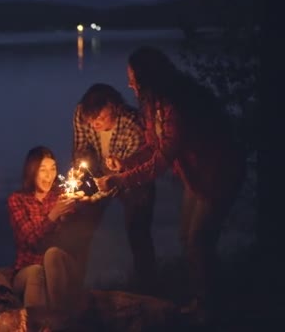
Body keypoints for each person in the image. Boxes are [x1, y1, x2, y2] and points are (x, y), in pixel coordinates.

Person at [95, 46, 246, 323]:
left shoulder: (177, 103)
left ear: (147, 76)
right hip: (196, 176)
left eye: (133, 77)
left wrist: (121, 179)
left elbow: (164, 159)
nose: (129, 83)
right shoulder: (154, 105)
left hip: (217, 173)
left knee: (198, 240)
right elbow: (155, 147)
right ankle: (205, 298)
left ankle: (214, 307)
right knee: (188, 238)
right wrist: (125, 163)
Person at [71, 83, 158, 295]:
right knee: (80, 227)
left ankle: (148, 290)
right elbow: (82, 149)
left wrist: (112, 180)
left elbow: (136, 170)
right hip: (99, 174)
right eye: (90, 121)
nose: (94, 124)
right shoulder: (82, 114)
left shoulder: (133, 124)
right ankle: (72, 288)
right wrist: (82, 173)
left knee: (138, 232)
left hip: (134, 179)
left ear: (113, 107)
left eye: (99, 119)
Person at [7, 146, 86, 330]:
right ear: (32, 170)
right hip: (26, 270)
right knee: (35, 271)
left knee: (52, 254)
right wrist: (53, 215)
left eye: (53, 168)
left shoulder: (61, 196)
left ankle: (57, 322)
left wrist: (69, 214)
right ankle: (37, 326)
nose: (49, 175)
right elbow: (31, 240)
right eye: (43, 169)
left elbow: (71, 239)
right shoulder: (17, 200)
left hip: (61, 268)